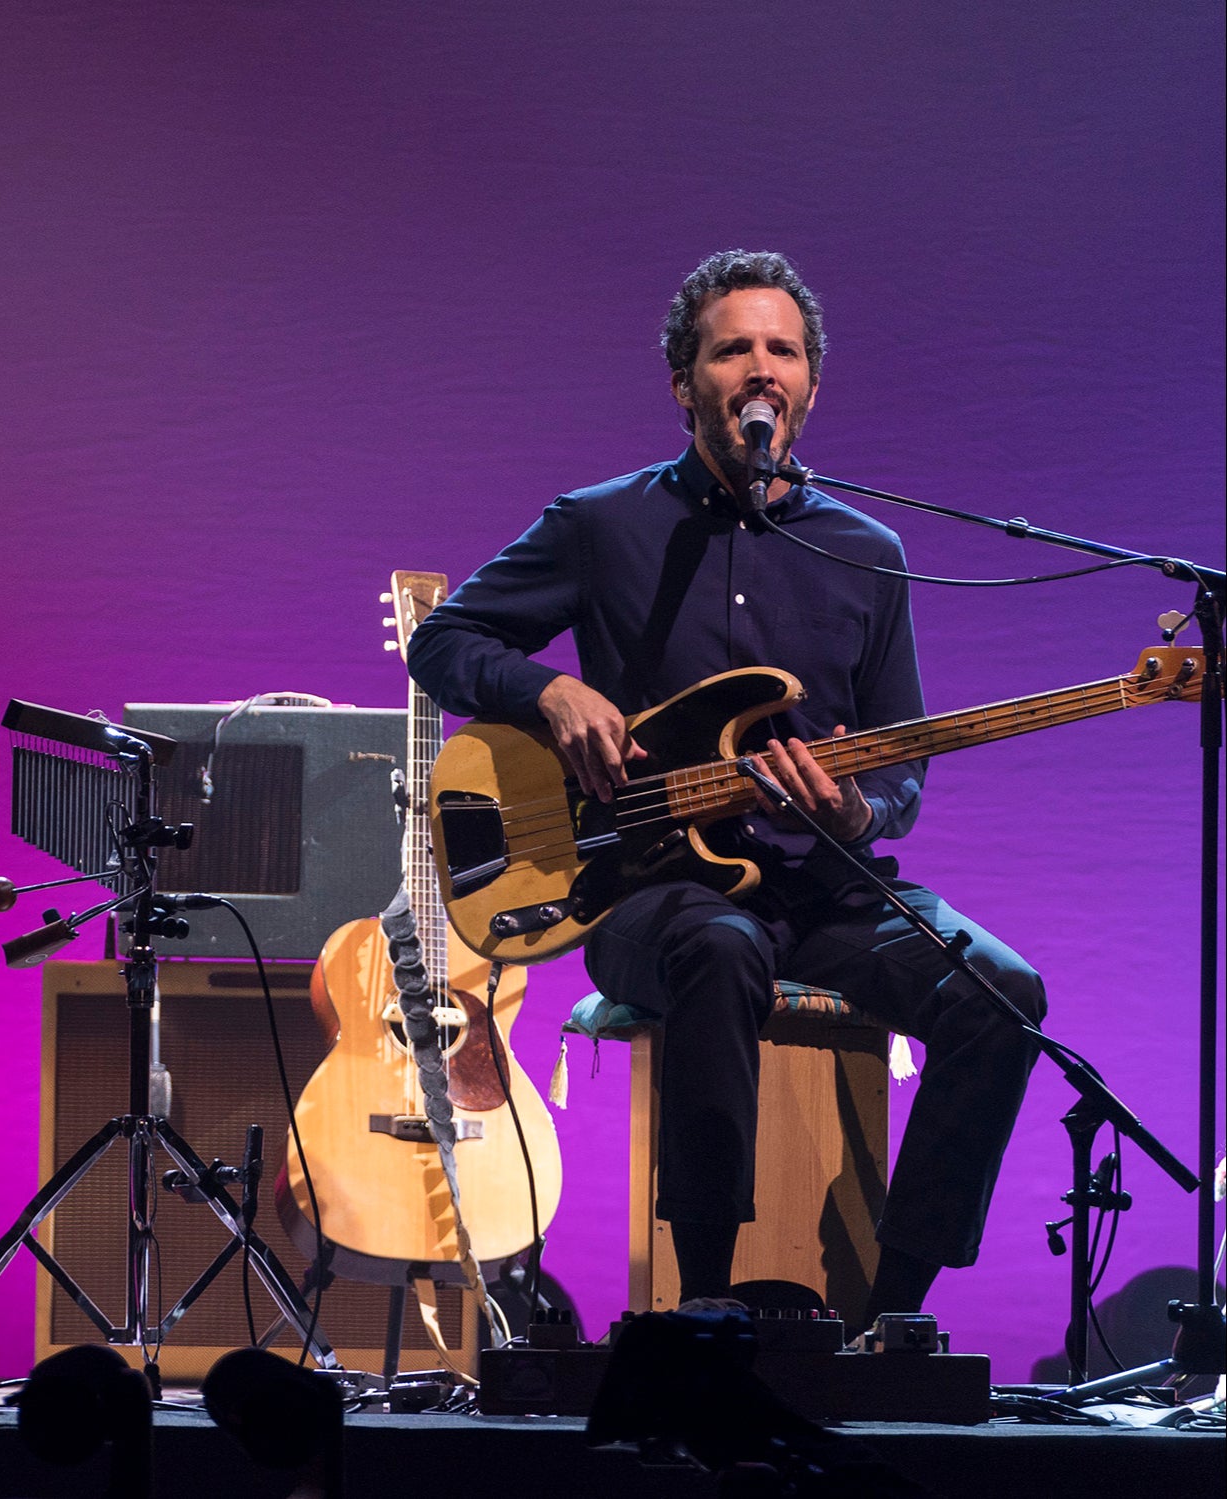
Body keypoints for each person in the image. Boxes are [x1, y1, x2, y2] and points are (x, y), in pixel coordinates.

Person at [405, 249, 1045, 1327]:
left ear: (809, 384)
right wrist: (550, 692)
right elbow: (444, 638)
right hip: (645, 890)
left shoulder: (869, 550)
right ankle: (705, 1301)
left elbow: (898, 766)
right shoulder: (603, 524)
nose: (759, 367)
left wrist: (855, 809)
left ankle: (891, 1310)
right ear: (683, 382)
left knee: (1001, 993)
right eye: (732, 347)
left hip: (825, 892)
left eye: (781, 349)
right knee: (721, 946)